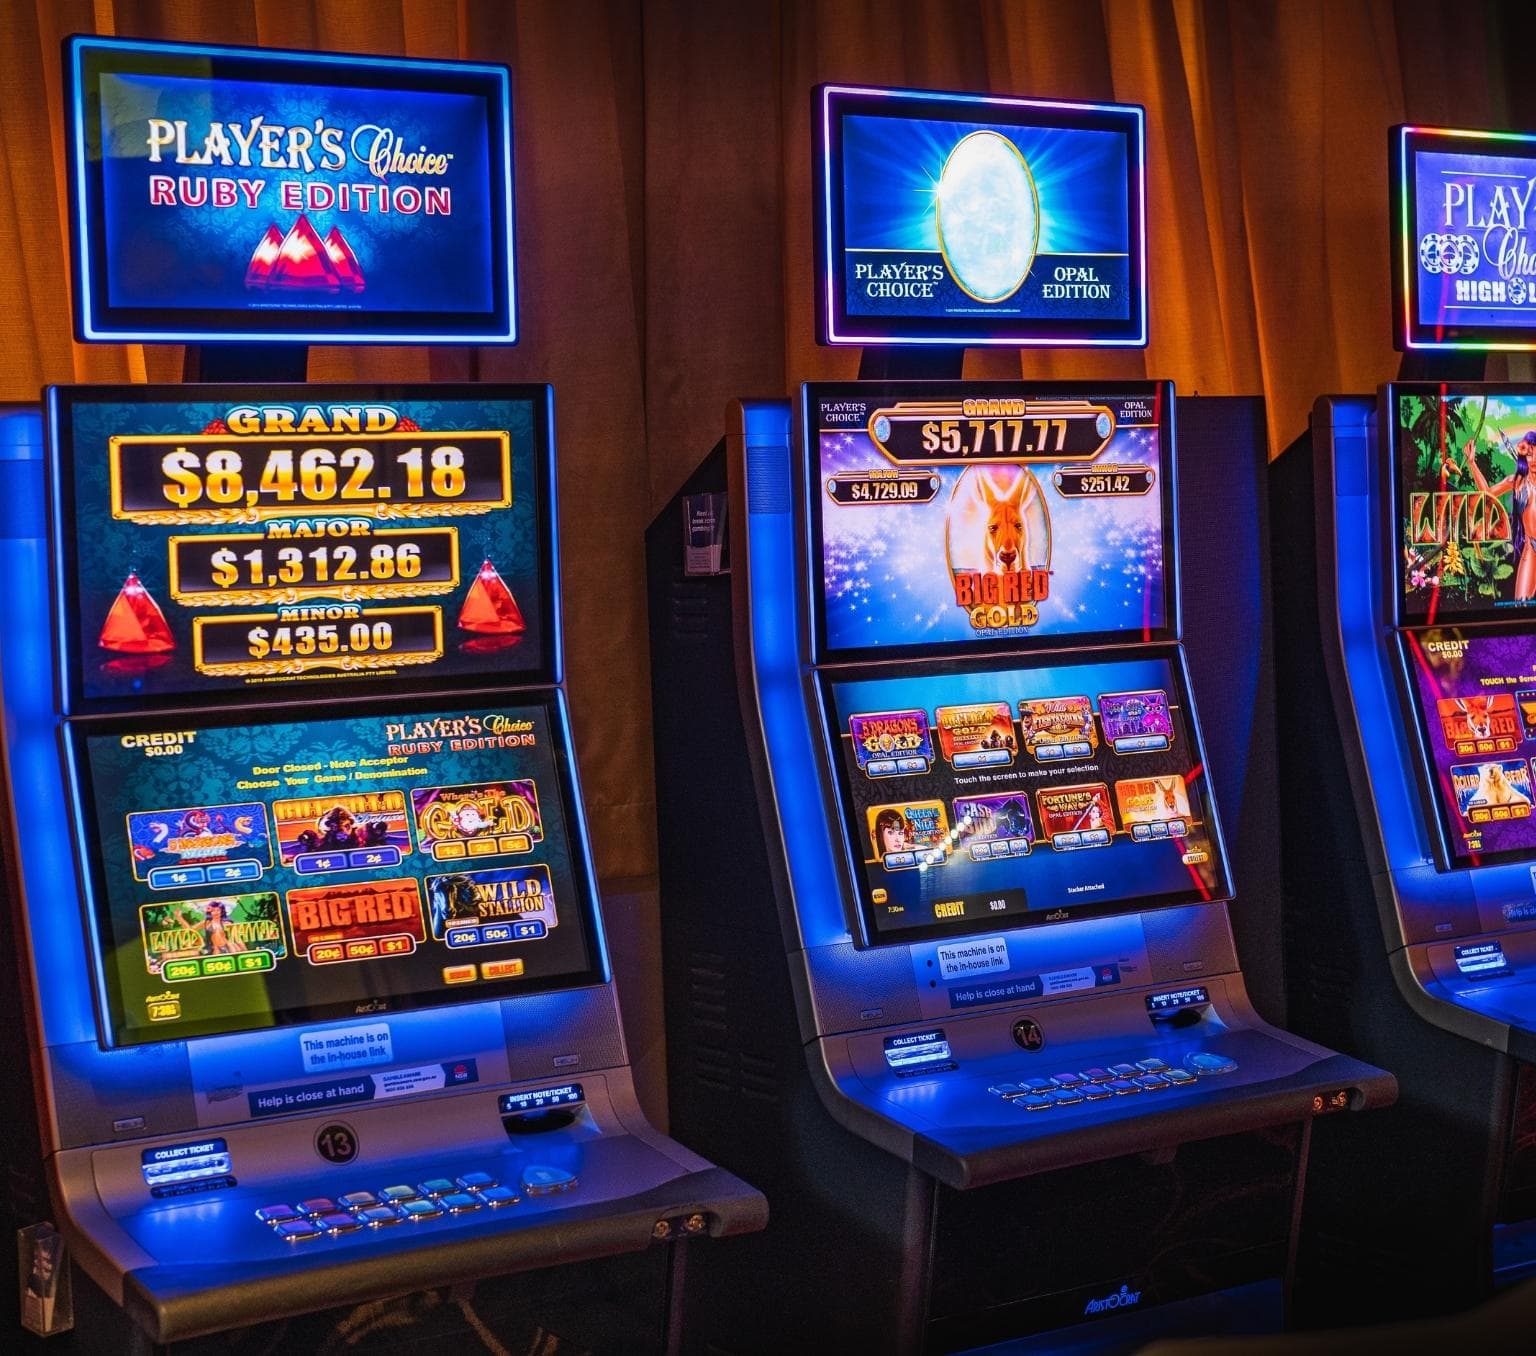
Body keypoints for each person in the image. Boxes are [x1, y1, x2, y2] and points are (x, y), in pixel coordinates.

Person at [1463, 429, 1536, 602]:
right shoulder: (1517, 482)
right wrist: (1472, 464)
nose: (1534, 460)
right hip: (1531, 549)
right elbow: (1487, 494)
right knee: (1520, 604)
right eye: (1530, 454)